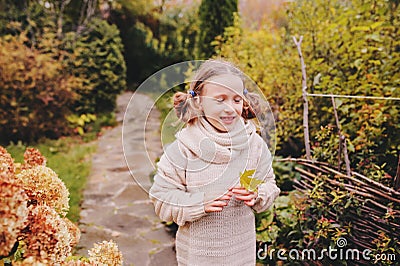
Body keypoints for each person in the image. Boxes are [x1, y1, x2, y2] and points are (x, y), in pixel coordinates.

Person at [149, 58, 280, 266]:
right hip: (198, 258)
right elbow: (161, 199)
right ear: (199, 101)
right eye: (220, 99)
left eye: (236, 100)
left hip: (241, 255)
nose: (230, 108)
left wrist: (257, 194)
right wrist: (197, 203)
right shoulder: (183, 149)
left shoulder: (253, 144)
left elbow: (270, 185)